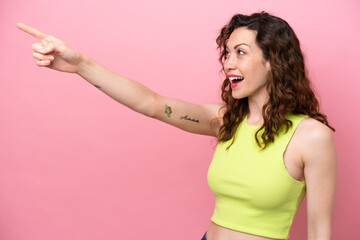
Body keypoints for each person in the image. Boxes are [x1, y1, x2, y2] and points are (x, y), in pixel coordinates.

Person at [17, 12, 337, 240]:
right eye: (226, 53)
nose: (228, 62)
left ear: (273, 61)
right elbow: (153, 104)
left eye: (240, 52)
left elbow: (319, 232)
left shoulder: (310, 137)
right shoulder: (225, 121)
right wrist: (80, 65)